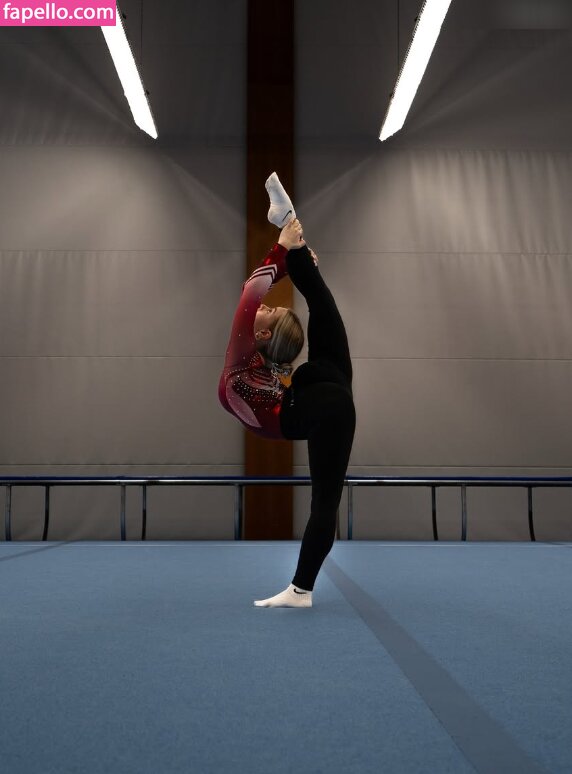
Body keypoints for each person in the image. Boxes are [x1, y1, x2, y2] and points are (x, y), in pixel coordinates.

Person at [218, 173, 356, 608]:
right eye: (273, 311)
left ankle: (301, 591)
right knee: (325, 501)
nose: (265, 306)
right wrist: (282, 250)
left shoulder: (245, 361)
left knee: (322, 306)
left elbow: (254, 291)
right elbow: (251, 291)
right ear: (260, 337)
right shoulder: (242, 363)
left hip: (315, 403)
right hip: (313, 406)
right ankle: (301, 590)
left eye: (271, 311)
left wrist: (287, 251)